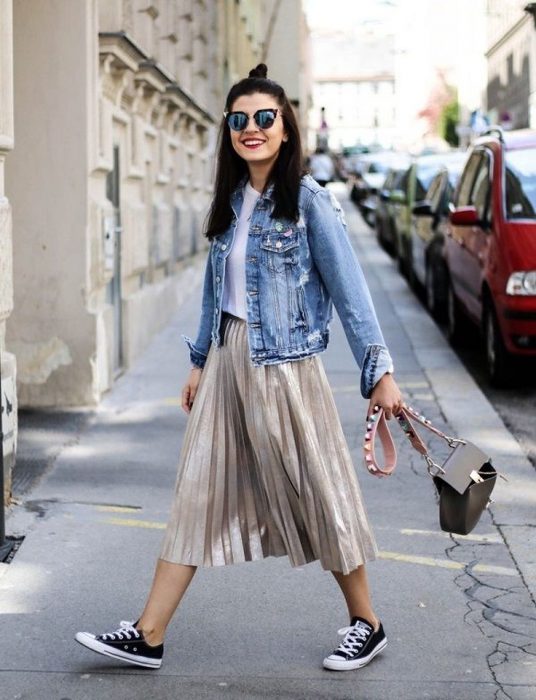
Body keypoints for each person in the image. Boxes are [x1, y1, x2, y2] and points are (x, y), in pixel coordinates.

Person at [75, 64, 403, 673]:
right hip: (228, 364)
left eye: (264, 118)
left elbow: (353, 293)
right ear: (228, 130)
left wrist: (378, 372)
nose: (251, 129)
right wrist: (200, 360)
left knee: (320, 495)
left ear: (285, 129)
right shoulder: (230, 203)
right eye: (239, 120)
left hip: (285, 369)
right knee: (194, 493)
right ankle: (149, 634)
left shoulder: (309, 201)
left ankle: (368, 623)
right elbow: (214, 290)